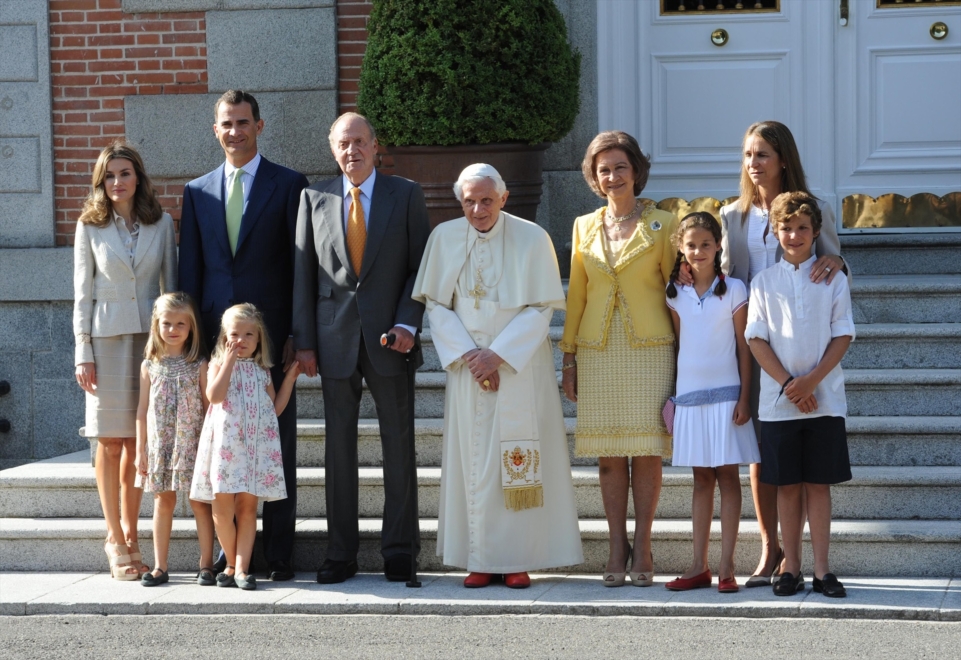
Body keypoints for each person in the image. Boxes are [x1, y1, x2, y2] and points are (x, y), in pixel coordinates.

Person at [412, 164, 583, 588]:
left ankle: (517, 558)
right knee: (474, 462)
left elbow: (541, 307)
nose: (477, 209)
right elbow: (436, 304)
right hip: (468, 368)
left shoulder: (532, 237)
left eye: (486, 200)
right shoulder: (444, 238)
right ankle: (480, 558)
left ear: (503, 198)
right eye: (469, 201)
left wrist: (498, 355)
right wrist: (472, 356)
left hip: (518, 368)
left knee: (517, 459)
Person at [292, 112, 430, 584]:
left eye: (359, 142)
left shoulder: (405, 195)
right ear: (333, 150)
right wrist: (305, 343)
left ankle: (399, 551)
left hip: (391, 340)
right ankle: (340, 553)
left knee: (398, 446)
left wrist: (408, 323)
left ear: (375, 147)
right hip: (333, 342)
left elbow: (419, 269)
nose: (351, 150)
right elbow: (303, 277)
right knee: (338, 451)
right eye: (342, 143)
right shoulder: (313, 198)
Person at [179, 90, 308, 581]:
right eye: (226, 123)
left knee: (274, 445)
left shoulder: (289, 185)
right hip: (215, 342)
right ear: (216, 130)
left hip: (269, 340)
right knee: (212, 448)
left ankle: (277, 554)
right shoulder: (197, 191)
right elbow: (189, 268)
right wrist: (193, 344)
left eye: (243, 122)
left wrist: (297, 332)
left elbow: (299, 266)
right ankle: (219, 555)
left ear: (260, 125)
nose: (235, 131)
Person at [715, 120, 849, 587]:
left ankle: (807, 559)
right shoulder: (731, 214)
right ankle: (771, 548)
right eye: (748, 155)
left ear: (783, 159)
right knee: (761, 446)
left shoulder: (815, 209)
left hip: (802, 339)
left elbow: (832, 262)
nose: (754, 164)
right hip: (749, 338)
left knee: (798, 457)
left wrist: (837, 260)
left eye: (763, 155)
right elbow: (726, 275)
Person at [560, 131, 677, 587]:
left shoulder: (664, 224)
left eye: (620, 167)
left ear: (637, 170)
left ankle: (643, 543)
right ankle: (616, 544)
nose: (612, 176)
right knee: (608, 455)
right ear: (594, 176)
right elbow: (577, 294)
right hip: (598, 351)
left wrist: (687, 356)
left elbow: (678, 294)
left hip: (650, 349)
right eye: (603, 169)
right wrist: (568, 357)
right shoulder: (582, 226)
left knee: (646, 451)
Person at [73, 140, 177, 580]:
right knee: (109, 441)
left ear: (138, 178)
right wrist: (83, 350)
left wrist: (175, 351)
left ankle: (134, 537)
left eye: (125, 173)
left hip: (149, 344)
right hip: (105, 341)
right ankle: (114, 537)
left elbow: (172, 289)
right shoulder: (89, 226)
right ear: (102, 182)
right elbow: (82, 293)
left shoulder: (162, 223)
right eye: (109, 175)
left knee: (139, 445)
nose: (117, 182)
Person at [745, 191, 854, 598]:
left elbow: (843, 333)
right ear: (774, 232)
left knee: (818, 485)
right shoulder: (764, 282)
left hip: (824, 399)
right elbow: (756, 338)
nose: (794, 235)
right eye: (786, 228)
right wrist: (791, 385)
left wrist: (812, 382)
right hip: (779, 404)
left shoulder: (833, 279)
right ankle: (791, 565)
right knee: (787, 486)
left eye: (802, 228)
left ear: (816, 232)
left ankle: (823, 570)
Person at [663, 213, 759, 593]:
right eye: (691, 245)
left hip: (727, 395)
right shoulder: (674, 292)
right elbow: (678, 346)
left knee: (728, 476)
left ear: (719, 245)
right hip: (689, 397)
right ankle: (697, 565)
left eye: (706, 244)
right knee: (701, 479)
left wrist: (744, 397)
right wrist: (673, 397)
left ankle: (727, 566)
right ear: (681, 249)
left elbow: (744, 348)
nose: (699, 251)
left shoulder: (735, 289)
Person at [190, 304, 300, 591]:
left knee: (248, 508)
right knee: (222, 510)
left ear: (259, 338)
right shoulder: (216, 365)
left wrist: (288, 379)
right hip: (226, 450)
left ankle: (240, 568)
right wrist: (228, 361)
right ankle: (228, 562)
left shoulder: (262, 371)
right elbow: (214, 396)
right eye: (234, 334)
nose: (241, 340)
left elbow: (274, 409)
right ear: (224, 337)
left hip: (253, 449)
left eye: (249, 334)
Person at [134, 293, 214, 587]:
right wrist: (140, 450)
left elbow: (209, 408)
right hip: (161, 445)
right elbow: (141, 410)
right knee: (162, 500)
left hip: (193, 443)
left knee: (199, 502)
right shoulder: (149, 366)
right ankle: (160, 566)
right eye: (166, 323)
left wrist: (210, 446)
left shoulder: (199, 364)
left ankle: (206, 564)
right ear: (156, 326)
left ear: (191, 327)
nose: (173, 329)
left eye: (181, 323)